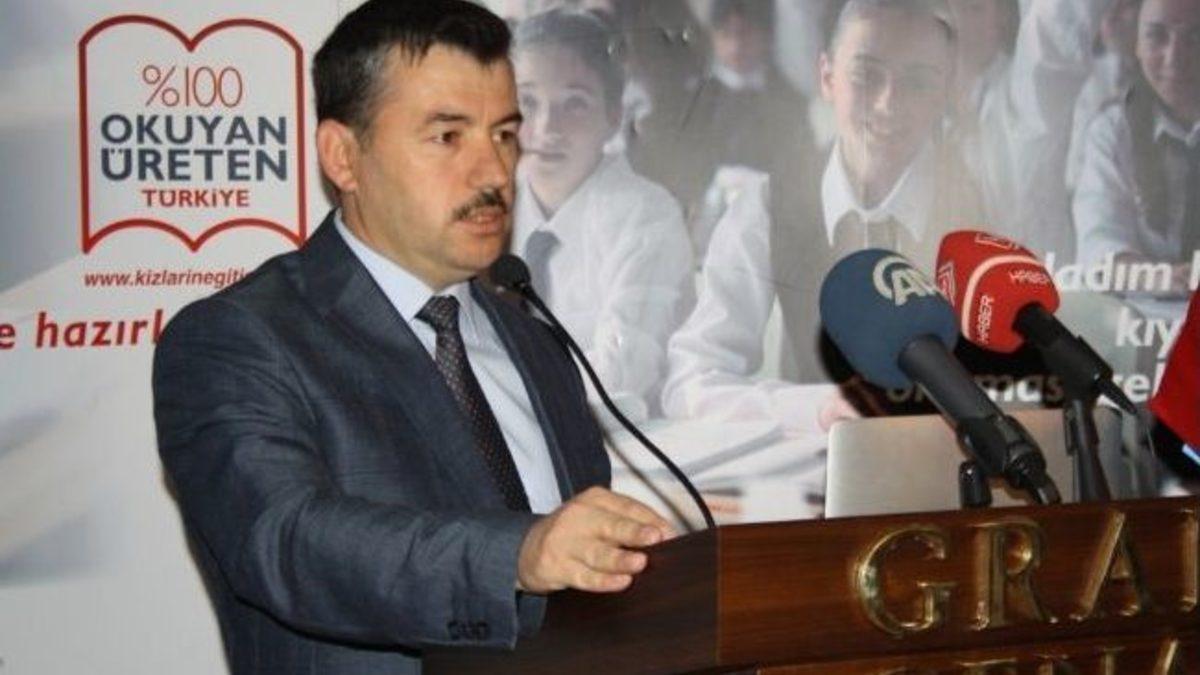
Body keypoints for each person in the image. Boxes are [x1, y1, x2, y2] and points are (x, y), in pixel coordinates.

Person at [151, 2, 674, 673]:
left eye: (504, 134)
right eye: (448, 136)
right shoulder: (239, 339)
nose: (494, 172)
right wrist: (518, 554)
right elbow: (287, 540)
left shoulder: (537, 342)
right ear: (344, 156)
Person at [664, 0, 981, 440]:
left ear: (946, 92)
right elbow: (691, 380)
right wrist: (817, 408)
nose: (888, 104)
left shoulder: (986, 203)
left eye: (918, 82)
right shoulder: (768, 206)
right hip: (820, 467)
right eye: (866, 76)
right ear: (828, 78)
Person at [510, 9, 693, 415]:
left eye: (574, 104)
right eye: (527, 102)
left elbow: (618, 376)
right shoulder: (491, 207)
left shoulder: (645, 216)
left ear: (613, 118)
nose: (546, 127)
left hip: (627, 440)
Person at [629, 0, 818, 256]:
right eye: (726, 34)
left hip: (771, 232)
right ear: (712, 37)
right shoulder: (693, 102)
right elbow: (676, 171)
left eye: (746, 34)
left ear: (766, 35)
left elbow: (803, 177)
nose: (736, 46)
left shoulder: (790, 105)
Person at [1074, 0, 1200, 295]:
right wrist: (1157, 277)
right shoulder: (1113, 131)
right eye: (1157, 36)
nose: (1174, 58)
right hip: (1146, 314)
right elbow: (1098, 245)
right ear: (1137, 45)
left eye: (1195, 36)